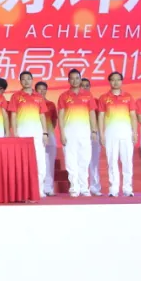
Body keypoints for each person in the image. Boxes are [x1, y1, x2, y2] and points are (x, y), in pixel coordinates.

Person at [8, 71, 49, 198]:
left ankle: (39, 189)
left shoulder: (39, 97)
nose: (26, 81)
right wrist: (15, 132)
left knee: (40, 161)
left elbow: (42, 116)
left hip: (37, 133)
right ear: (20, 81)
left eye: (28, 79)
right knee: (23, 162)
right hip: (22, 133)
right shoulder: (16, 96)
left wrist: (45, 132)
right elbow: (13, 115)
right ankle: (24, 190)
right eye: (23, 79)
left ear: (32, 80)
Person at [97, 72, 138, 197]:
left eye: (118, 80)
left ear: (121, 81)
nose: (115, 82)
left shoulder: (128, 97)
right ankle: (113, 189)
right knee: (112, 161)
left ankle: (127, 188)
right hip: (110, 133)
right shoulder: (104, 98)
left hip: (126, 133)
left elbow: (133, 115)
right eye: (113, 80)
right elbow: (101, 116)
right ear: (109, 82)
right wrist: (101, 134)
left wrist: (134, 132)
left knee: (127, 161)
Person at [58, 69, 98, 197]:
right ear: (68, 80)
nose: (75, 81)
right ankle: (74, 188)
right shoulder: (64, 96)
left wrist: (94, 130)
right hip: (69, 133)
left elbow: (92, 114)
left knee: (84, 160)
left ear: (80, 79)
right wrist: (62, 133)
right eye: (72, 78)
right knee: (71, 161)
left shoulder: (88, 95)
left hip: (84, 132)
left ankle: (84, 187)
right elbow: (60, 116)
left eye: (77, 78)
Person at [36, 80, 58, 197]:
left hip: (49, 135)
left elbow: (54, 120)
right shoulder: (33, 103)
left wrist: (49, 132)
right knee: (39, 162)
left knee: (49, 163)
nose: (42, 91)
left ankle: (49, 188)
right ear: (35, 90)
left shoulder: (51, 104)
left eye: (44, 89)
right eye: (39, 89)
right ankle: (39, 187)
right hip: (37, 135)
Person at [81, 78, 102, 196]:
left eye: (87, 85)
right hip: (81, 134)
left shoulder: (96, 101)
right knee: (81, 160)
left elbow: (100, 118)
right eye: (82, 86)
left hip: (93, 134)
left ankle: (95, 187)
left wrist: (97, 132)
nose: (84, 88)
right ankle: (81, 186)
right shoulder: (75, 101)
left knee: (94, 161)